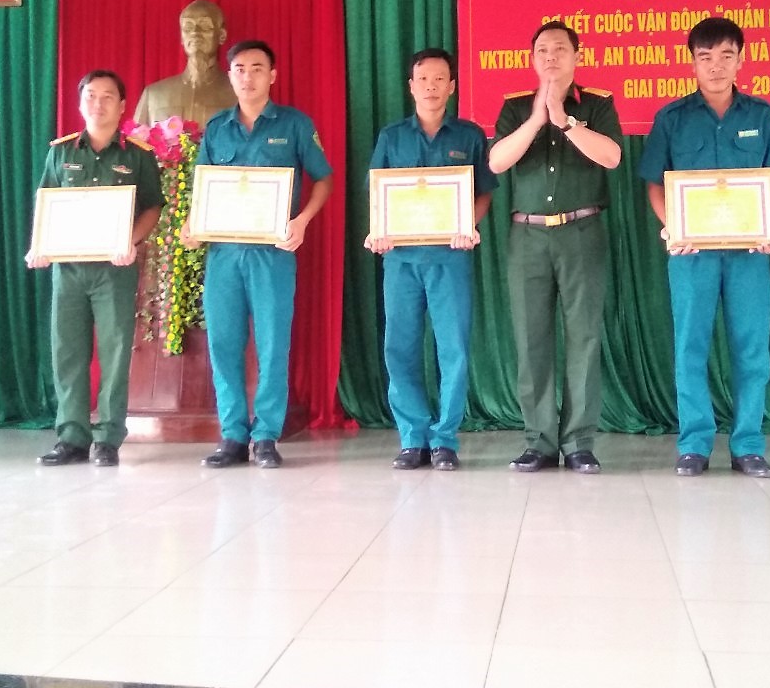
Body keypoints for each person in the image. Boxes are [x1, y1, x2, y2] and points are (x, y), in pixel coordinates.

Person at [638, 17, 770, 478]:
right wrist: (675, 227)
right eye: (705, 57)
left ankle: (748, 445)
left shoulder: (762, 116)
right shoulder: (672, 119)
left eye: (726, 56)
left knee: (752, 350)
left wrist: (769, 223)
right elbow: (655, 184)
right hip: (692, 255)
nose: (716, 66)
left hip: (749, 255)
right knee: (691, 348)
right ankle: (694, 445)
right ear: (692, 63)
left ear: (740, 60)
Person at [181, 40, 333, 468]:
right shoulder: (217, 128)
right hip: (224, 255)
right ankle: (232, 435)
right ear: (230, 76)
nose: (248, 77)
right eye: (240, 69)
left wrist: (301, 221)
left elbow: (323, 179)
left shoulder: (295, 124)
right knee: (224, 345)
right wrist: (193, 226)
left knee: (272, 345)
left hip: (273, 253)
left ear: (273, 75)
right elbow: (203, 188)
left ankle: (266, 435)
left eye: (257, 68)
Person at [489, 21, 623, 474]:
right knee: (531, 339)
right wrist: (537, 118)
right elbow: (497, 161)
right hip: (527, 236)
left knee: (583, 337)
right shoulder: (514, 107)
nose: (551, 57)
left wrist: (564, 119)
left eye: (560, 49)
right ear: (532, 59)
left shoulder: (598, 104)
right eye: (542, 50)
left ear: (577, 57)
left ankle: (579, 442)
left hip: (581, 231)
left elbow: (612, 157)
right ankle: (539, 442)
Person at [365, 48, 498, 470]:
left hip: (450, 258)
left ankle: (444, 440)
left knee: (453, 349)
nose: (431, 87)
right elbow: (379, 192)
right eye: (423, 79)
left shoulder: (469, 136)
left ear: (452, 86)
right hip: (401, 260)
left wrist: (468, 223)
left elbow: (484, 193)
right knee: (399, 348)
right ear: (411, 86)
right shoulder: (391, 137)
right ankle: (412, 438)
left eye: (440, 79)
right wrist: (379, 230)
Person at [28, 70, 163, 467]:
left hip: (114, 269)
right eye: (90, 95)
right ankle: (71, 437)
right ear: (80, 102)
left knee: (116, 352)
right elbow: (46, 202)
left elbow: (153, 207)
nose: (98, 104)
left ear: (122, 106)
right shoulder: (61, 152)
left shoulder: (138, 155)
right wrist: (39, 246)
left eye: (107, 97)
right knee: (68, 352)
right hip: (69, 268)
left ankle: (107, 438)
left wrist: (131, 241)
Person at [134, 0, 235, 125]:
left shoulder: (238, 94)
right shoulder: (154, 95)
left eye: (205, 26)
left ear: (221, 35)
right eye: (188, 27)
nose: (195, 32)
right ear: (182, 37)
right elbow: (136, 136)